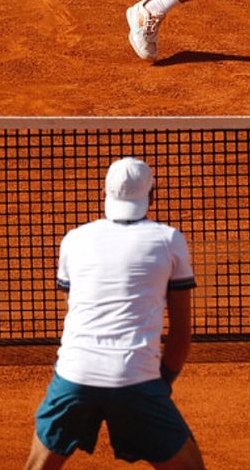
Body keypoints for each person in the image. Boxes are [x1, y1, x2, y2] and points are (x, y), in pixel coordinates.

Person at [25, 158, 203, 469]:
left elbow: (80, 307)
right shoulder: (169, 240)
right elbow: (181, 334)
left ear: (105, 194)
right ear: (152, 196)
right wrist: (161, 382)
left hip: (74, 375)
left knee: (38, 466)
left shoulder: (74, 240)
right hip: (137, 380)